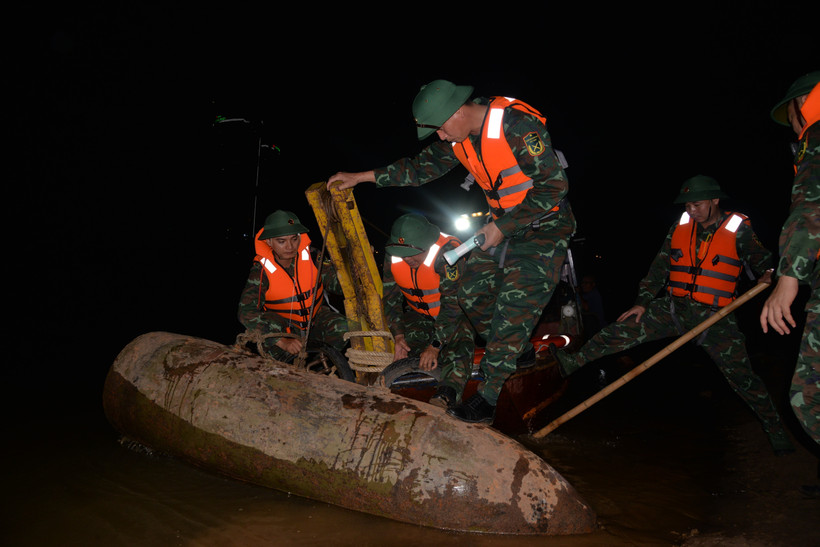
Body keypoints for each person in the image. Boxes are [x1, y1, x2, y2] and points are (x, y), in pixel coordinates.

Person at [328, 79, 575, 423]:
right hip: (501, 227)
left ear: (459, 111)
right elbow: (416, 169)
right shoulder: (460, 137)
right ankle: (516, 351)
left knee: (512, 309)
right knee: (470, 292)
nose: (442, 138)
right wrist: (361, 176)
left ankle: (486, 400)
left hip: (542, 228)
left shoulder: (516, 127)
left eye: (442, 129)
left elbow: (554, 187)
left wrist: (501, 227)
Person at [552, 175, 795, 455]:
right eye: (688, 205)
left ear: (716, 200)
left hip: (715, 318)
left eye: (697, 204)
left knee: (744, 379)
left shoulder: (738, 229)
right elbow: (658, 270)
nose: (691, 210)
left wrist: (770, 273)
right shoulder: (679, 227)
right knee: (621, 329)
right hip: (673, 309)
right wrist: (642, 302)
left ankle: (776, 432)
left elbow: (763, 261)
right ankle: (574, 363)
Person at [760, 71, 820, 454]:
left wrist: (788, 277)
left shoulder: (816, 136)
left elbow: (812, 205)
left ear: (802, 106)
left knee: (808, 397)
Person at [382, 213, 475, 408]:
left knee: (461, 342)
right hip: (420, 314)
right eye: (402, 253)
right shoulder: (393, 254)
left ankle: (447, 393)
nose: (407, 259)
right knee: (410, 346)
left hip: (455, 314)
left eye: (413, 253)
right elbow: (391, 299)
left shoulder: (448, 253)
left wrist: (435, 346)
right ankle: (403, 391)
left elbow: (453, 304)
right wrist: (398, 336)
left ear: (427, 243)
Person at [237, 210, 350, 361]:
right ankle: (280, 368)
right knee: (272, 330)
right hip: (284, 328)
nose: (290, 246)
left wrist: (352, 267)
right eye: (281, 241)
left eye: (294, 239)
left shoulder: (314, 256)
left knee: (344, 327)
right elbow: (245, 311)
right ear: (269, 242)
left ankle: (319, 365)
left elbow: (337, 286)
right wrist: (282, 342)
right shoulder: (261, 271)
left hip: (314, 321)